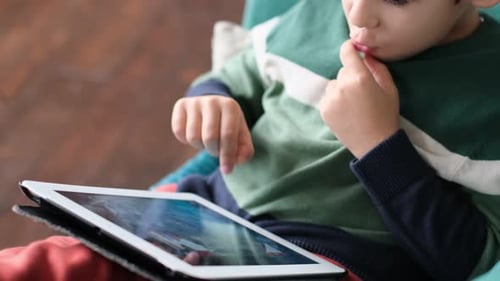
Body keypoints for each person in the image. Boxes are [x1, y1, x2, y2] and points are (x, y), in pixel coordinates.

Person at [1, 0, 499, 280]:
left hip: (332, 263)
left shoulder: (489, 95)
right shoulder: (320, 14)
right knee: (51, 266)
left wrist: (378, 146)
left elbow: (465, 258)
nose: (360, 14)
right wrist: (213, 99)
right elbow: (241, 75)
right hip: (206, 214)